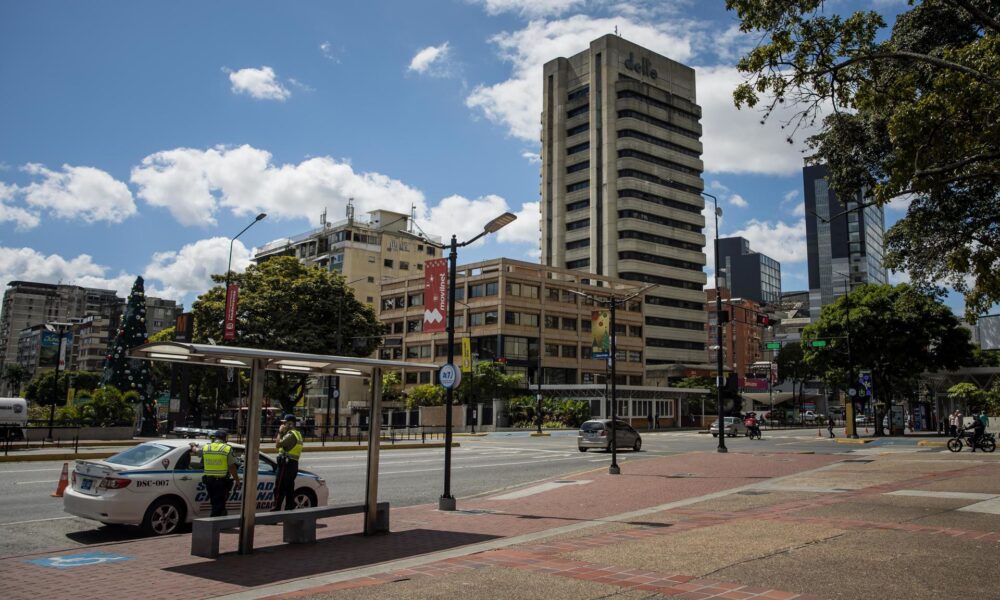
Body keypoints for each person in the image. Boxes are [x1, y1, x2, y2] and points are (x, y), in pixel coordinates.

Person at [191, 430, 240, 517]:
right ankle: (213, 526)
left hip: (209, 482)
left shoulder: (207, 447)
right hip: (220, 482)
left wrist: (193, 445)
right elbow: (232, 467)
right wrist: (237, 480)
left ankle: (219, 523)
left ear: (215, 438)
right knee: (218, 506)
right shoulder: (226, 448)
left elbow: (196, 451)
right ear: (225, 438)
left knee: (215, 503)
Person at [273, 414, 304, 511]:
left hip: (285, 466)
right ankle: (289, 511)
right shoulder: (297, 434)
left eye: (284, 423)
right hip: (292, 465)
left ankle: (275, 511)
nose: (283, 424)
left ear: (290, 424)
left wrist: (280, 432)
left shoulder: (291, 434)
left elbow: (278, 444)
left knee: (279, 489)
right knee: (289, 489)